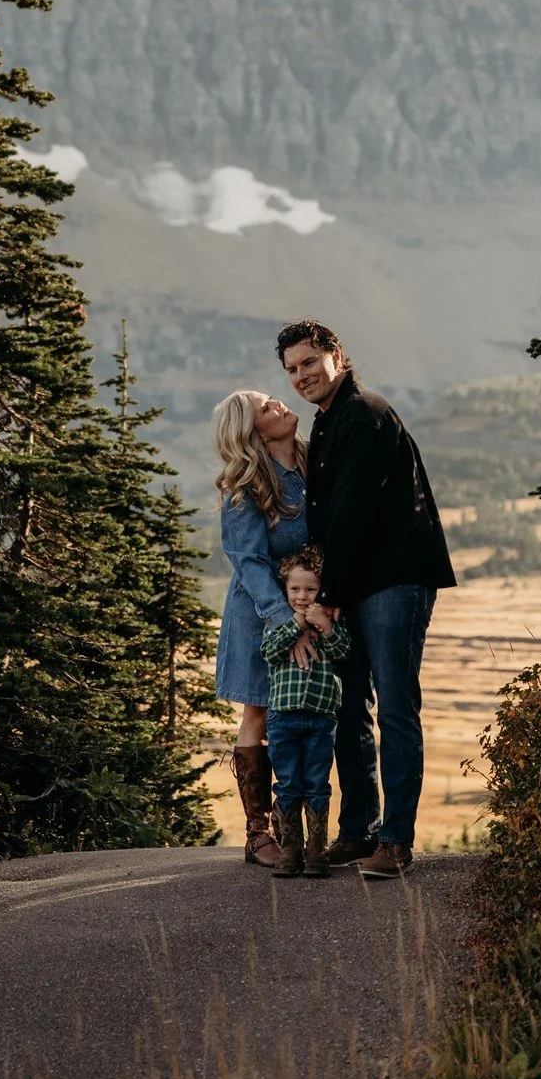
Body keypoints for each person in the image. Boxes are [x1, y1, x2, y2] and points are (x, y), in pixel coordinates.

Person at [278, 318, 456, 880]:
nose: (300, 376)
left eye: (309, 362)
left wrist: (327, 596)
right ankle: (358, 831)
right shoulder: (327, 423)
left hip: (392, 582)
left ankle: (396, 841)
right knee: (348, 707)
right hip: (350, 589)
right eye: (290, 370)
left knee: (396, 706)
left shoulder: (367, 415)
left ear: (336, 355)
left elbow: (351, 514)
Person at [211, 388, 312, 868]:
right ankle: (259, 834)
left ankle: (296, 831)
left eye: (273, 399)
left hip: (309, 613)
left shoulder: (312, 465)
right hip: (261, 615)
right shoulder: (246, 484)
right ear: (253, 432)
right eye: (266, 409)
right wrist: (287, 624)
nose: (281, 406)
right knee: (261, 715)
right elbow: (249, 562)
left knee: (304, 716)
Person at [261, 547, 351, 880]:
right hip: (283, 717)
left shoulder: (330, 621)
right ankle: (290, 850)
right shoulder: (278, 622)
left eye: (310, 589)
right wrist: (295, 624)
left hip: (320, 718)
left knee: (317, 783)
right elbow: (269, 652)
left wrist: (325, 627)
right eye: (295, 589)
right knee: (287, 784)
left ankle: (316, 850)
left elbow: (344, 653)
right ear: (285, 590)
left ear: (321, 590)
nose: (302, 596)